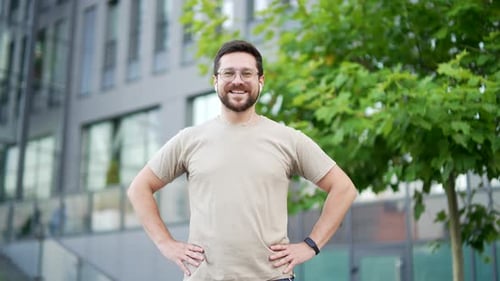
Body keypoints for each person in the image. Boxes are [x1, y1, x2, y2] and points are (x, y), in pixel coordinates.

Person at [127, 40, 358, 281]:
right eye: (228, 73)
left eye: (247, 73)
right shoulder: (189, 139)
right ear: (216, 81)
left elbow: (343, 188)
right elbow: (139, 188)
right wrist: (165, 243)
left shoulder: (288, 139)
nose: (237, 80)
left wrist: (311, 244)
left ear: (261, 80)